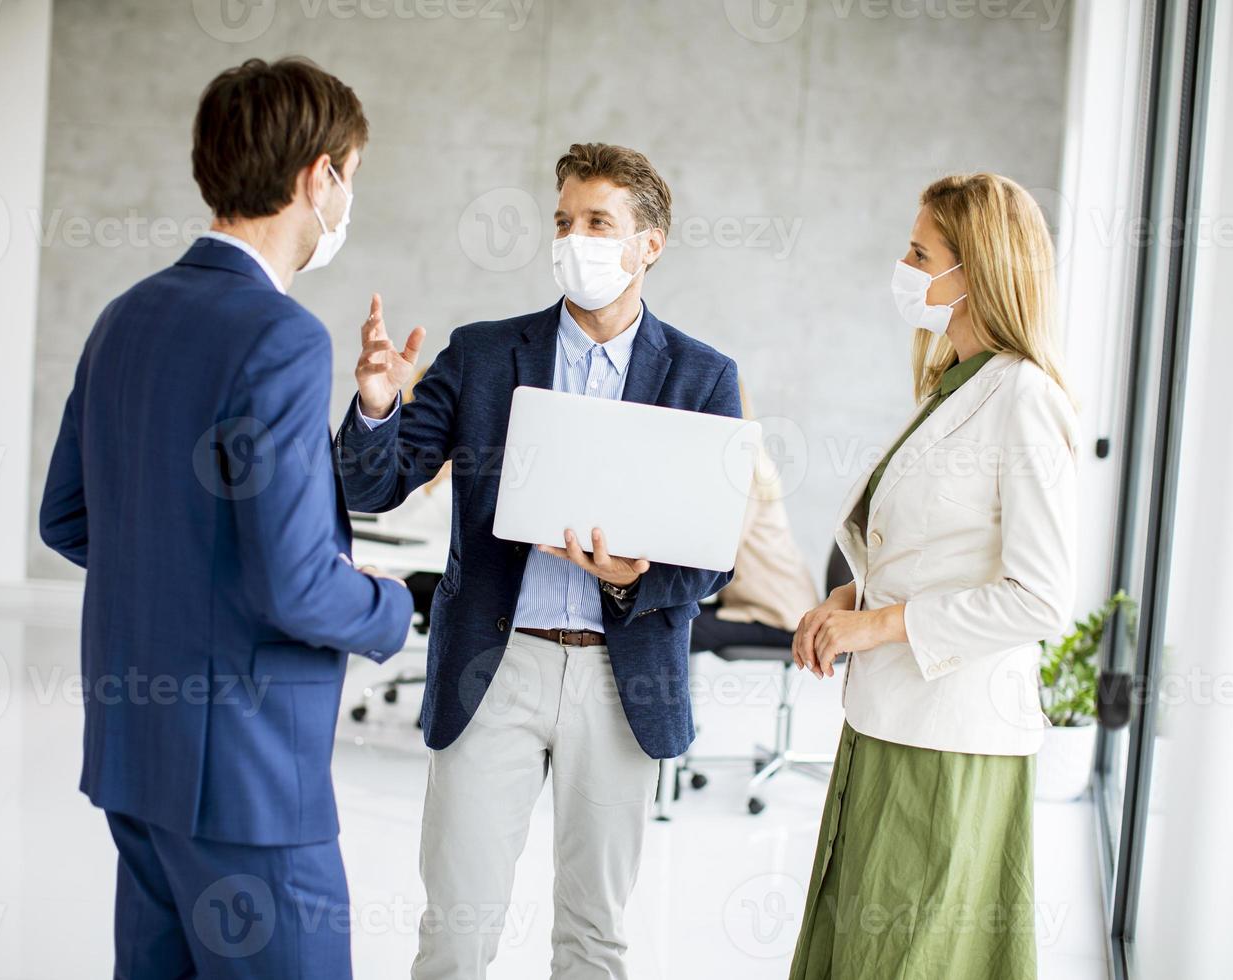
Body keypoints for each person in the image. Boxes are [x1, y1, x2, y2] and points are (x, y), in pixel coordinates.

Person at [38, 57, 414, 979]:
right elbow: (291, 581)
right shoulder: (281, 336)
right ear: (316, 177)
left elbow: (69, 519)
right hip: (247, 780)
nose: (346, 201)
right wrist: (395, 606)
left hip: (138, 758)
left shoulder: (125, 316)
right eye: (350, 178)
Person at [333, 143, 741, 980]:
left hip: (619, 679)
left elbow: (715, 558)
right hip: (498, 664)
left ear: (649, 244)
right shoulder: (483, 355)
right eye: (563, 221)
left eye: (599, 222)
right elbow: (373, 487)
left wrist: (638, 577)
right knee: (455, 927)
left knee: (593, 936)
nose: (575, 239)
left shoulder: (702, 376)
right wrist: (378, 404)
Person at [786, 173, 1078, 980]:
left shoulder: (1023, 399)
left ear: (976, 269)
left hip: (949, 740)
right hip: (890, 720)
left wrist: (876, 626)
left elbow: (1041, 595)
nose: (904, 265)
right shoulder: (954, 381)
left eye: (921, 252)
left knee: (907, 954)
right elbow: (930, 548)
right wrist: (852, 597)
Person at [690, 386, 818, 653]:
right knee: (667, 617)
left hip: (782, 616)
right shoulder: (740, 465)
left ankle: (668, 695)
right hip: (760, 606)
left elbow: (719, 550)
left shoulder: (746, 473)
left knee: (670, 624)